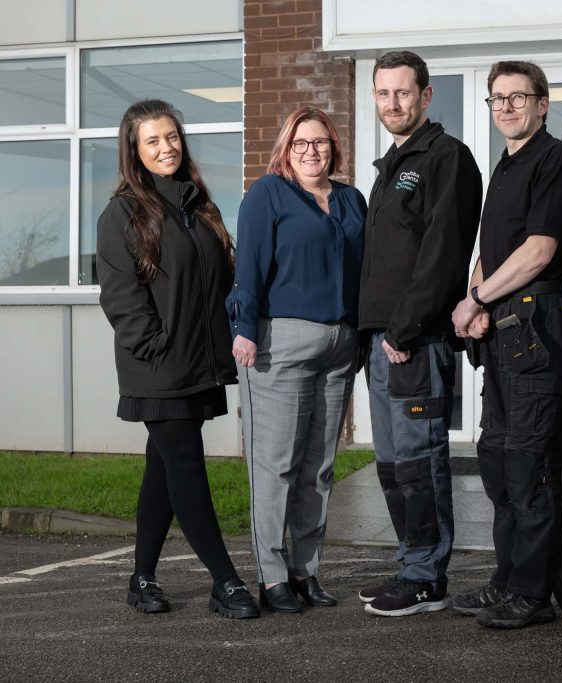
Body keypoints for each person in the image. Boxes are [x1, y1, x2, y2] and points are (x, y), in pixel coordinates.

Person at [96, 99, 259, 619]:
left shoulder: (196, 206)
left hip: (200, 361)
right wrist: (156, 348)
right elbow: (121, 297)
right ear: (134, 151)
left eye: (171, 137)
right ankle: (225, 581)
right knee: (186, 465)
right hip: (159, 367)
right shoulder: (122, 212)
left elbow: (217, 282)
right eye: (152, 141)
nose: (165, 148)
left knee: (162, 469)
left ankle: (141, 577)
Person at [450, 61, 562, 629]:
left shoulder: (556, 160)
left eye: (517, 97)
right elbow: (493, 248)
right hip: (502, 329)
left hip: (536, 325)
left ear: (542, 103)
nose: (506, 107)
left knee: (530, 463)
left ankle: (531, 594)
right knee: (499, 461)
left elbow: (538, 252)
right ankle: (504, 581)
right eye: (497, 99)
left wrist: (476, 299)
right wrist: (479, 299)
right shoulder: (503, 166)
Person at [357, 50, 482, 617]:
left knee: (419, 459)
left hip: (414, 340)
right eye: (383, 94)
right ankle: (411, 562)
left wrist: (405, 328)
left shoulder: (444, 157)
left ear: (426, 95)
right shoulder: (390, 165)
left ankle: (427, 576)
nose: (392, 103)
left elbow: (443, 253)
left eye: (403, 93)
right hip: (382, 341)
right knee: (392, 464)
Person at [227, 106, 365, 613]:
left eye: (321, 143)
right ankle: (272, 575)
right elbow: (249, 267)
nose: (312, 151)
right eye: (301, 143)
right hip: (280, 344)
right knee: (276, 464)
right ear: (286, 148)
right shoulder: (268, 194)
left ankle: (306, 571)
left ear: (334, 148)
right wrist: (243, 328)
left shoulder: (351, 200)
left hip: (339, 346)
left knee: (319, 467)